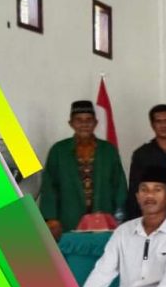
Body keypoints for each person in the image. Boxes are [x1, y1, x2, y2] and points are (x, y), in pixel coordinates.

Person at [39, 100, 127, 239]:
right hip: (68, 221)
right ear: (71, 123)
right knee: (72, 252)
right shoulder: (59, 151)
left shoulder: (108, 150)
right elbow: (49, 187)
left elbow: (119, 185)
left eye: (88, 120)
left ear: (95, 123)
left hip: (104, 221)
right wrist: (51, 218)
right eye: (79, 120)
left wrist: (120, 217)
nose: (84, 124)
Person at [125, 104, 166, 219]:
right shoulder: (141, 154)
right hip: (151, 216)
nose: (163, 125)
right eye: (158, 121)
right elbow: (135, 190)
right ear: (152, 125)